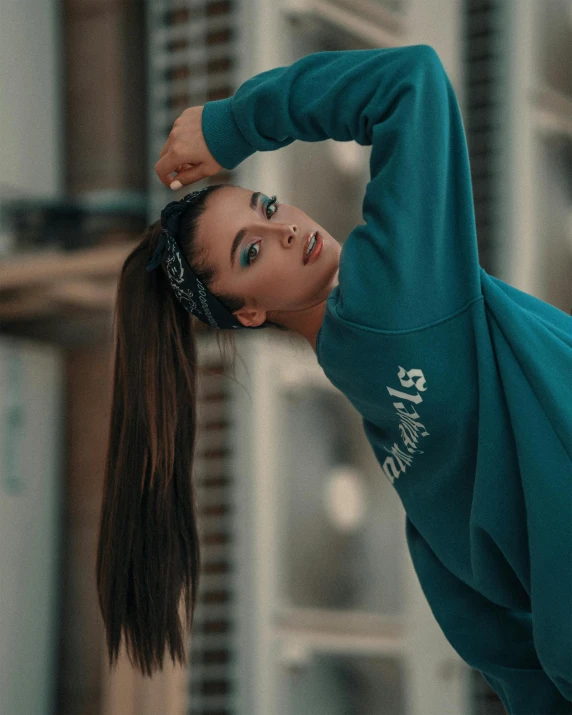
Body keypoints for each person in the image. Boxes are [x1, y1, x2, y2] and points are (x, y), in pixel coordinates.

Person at [95, 44, 572, 713]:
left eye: (265, 203)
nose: (286, 228)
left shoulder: (385, 420)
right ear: (248, 310)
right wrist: (233, 124)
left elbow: (488, 628)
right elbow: (410, 82)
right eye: (251, 250)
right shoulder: (392, 306)